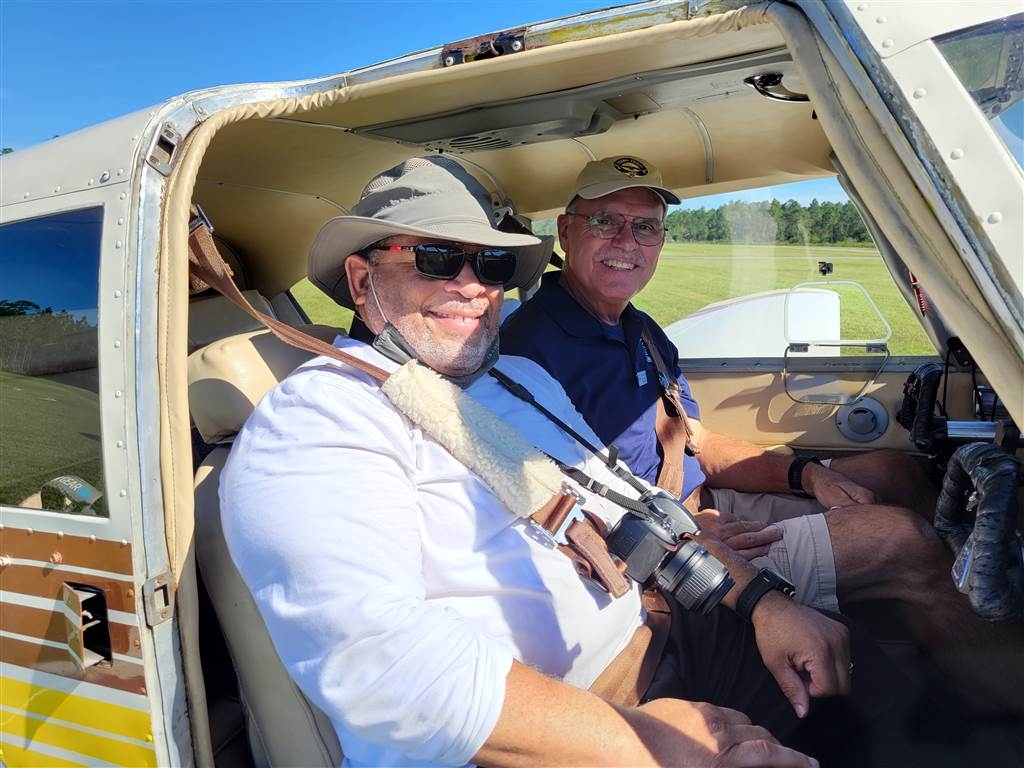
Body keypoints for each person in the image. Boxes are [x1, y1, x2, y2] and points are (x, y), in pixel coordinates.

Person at [219, 157, 936, 767]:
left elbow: (634, 510)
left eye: (492, 263)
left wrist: (762, 603)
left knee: (864, 685)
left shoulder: (514, 379)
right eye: (436, 259)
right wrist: (650, 744)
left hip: (657, 628)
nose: (471, 286)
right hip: (548, 724)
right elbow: (382, 667)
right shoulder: (318, 417)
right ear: (360, 280)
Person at [499, 154, 1023, 713]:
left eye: (646, 226)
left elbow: (696, 441)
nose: (628, 241)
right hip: (662, 552)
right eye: (606, 221)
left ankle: (945, 645)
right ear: (566, 231)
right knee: (903, 542)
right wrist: (690, 537)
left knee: (892, 473)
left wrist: (807, 474)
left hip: (699, 508)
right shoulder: (529, 351)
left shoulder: (640, 329)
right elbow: (550, 506)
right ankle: (1006, 707)